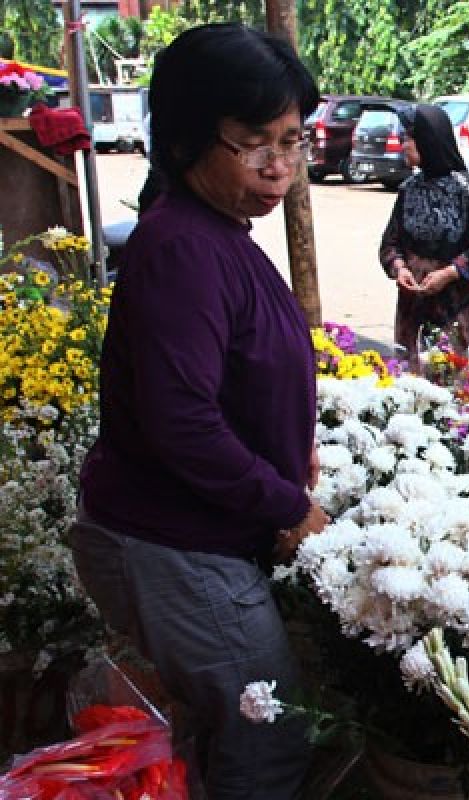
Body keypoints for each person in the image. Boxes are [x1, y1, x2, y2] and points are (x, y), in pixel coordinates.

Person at [68, 23, 324, 798]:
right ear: (186, 140)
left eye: (291, 140)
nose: (278, 166)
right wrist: (286, 502)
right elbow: (184, 422)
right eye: (254, 143)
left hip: (199, 538)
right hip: (175, 545)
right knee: (268, 733)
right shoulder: (183, 247)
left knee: (227, 731)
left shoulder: (217, 231)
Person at [379, 104, 469, 358]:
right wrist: (400, 269)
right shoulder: (409, 189)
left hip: (455, 307)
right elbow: (390, 244)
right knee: (410, 383)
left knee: (450, 379)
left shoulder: (467, 191)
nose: (404, 145)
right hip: (413, 305)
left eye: (409, 139)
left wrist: (448, 273)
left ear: (428, 140)